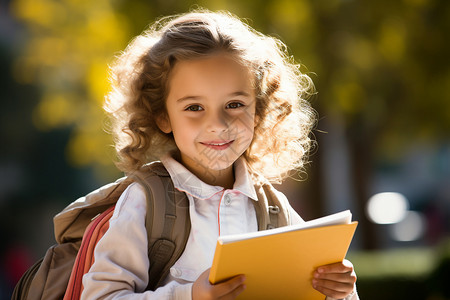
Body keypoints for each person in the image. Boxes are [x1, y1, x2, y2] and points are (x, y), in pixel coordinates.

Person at [81, 9, 359, 300]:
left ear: (258, 111)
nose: (217, 124)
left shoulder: (272, 209)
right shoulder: (145, 202)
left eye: (235, 104)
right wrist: (189, 295)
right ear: (163, 116)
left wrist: (339, 290)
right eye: (194, 108)